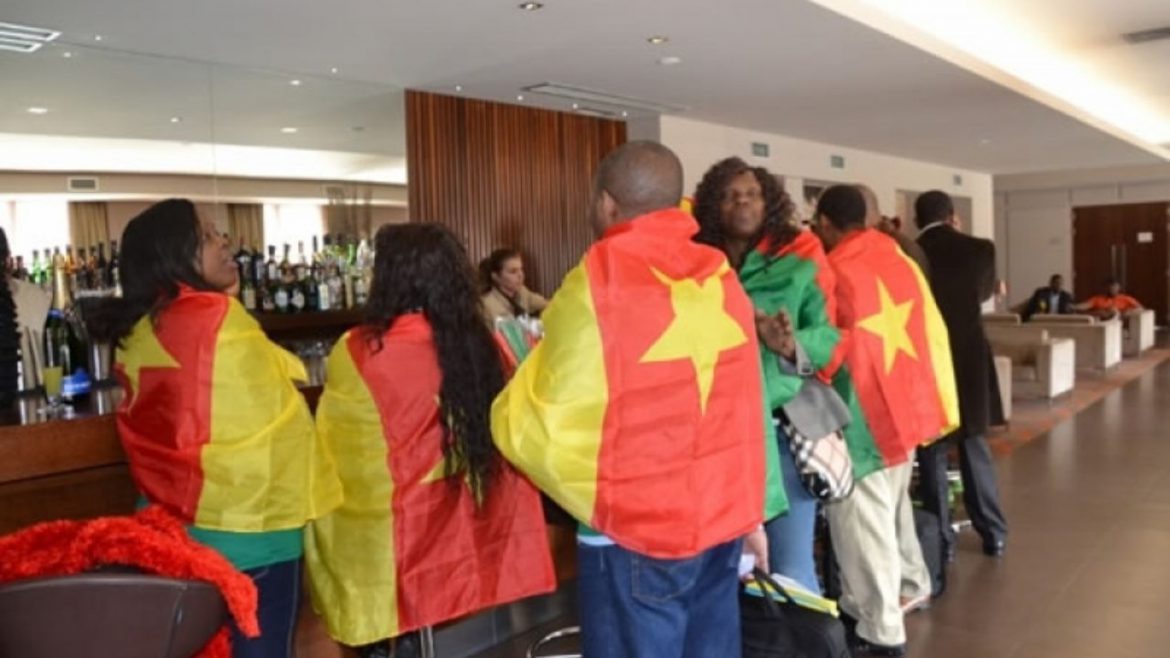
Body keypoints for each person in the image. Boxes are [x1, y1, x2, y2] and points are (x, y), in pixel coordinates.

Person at [492, 141, 776, 658]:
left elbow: (545, 418)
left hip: (635, 532)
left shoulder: (599, 277)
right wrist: (751, 515)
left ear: (606, 203)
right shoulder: (719, 275)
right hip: (723, 516)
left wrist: (510, 401)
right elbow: (744, 404)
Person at [89, 198, 343, 658]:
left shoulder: (135, 332)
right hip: (253, 533)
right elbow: (282, 417)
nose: (223, 242)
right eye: (206, 236)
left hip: (171, 533)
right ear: (174, 254)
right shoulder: (219, 317)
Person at [305, 224, 555, 658]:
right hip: (464, 528)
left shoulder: (360, 351)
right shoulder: (482, 345)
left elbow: (338, 446)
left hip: (395, 532)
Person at [813, 185, 959, 657]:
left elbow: (825, 347)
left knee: (862, 524)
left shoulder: (834, 270)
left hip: (865, 414)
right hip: (906, 403)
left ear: (826, 224)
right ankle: (910, 584)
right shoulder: (899, 259)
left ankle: (881, 633)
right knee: (893, 506)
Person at [692, 157, 847, 594]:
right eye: (730, 196)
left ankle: (800, 631)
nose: (742, 203)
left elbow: (830, 337)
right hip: (714, 435)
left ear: (769, 202)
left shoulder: (801, 255)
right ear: (713, 206)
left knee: (790, 568)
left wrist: (790, 345)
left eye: (752, 195)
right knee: (722, 568)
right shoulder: (698, 263)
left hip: (782, 433)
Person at [914, 191, 1009, 562]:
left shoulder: (911, 253)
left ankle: (941, 540)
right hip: (968, 359)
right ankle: (992, 532)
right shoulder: (980, 249)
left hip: (927, 359)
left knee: (933, 452)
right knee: (974, 446)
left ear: (917, 219)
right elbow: (982, 293)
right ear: (952, 216)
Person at [479, 247, 547, 324]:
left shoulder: (523, 292)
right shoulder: (486, 306)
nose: (520, 275)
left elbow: (548, 304)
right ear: (496, 276)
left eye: (521, 269)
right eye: (513, 271)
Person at [1076, 277, 1142, 320]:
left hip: (1121, 323)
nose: (1112, 289)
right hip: (1102, 323)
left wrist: (1126, 312)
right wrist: (1097, 313)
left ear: (1119, 288)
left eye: (1114, 287)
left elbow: (1141, 309)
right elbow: (1084, 306)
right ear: (1105, 288)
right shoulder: (1098, 299)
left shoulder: (1126, 299)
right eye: (1110, 287)